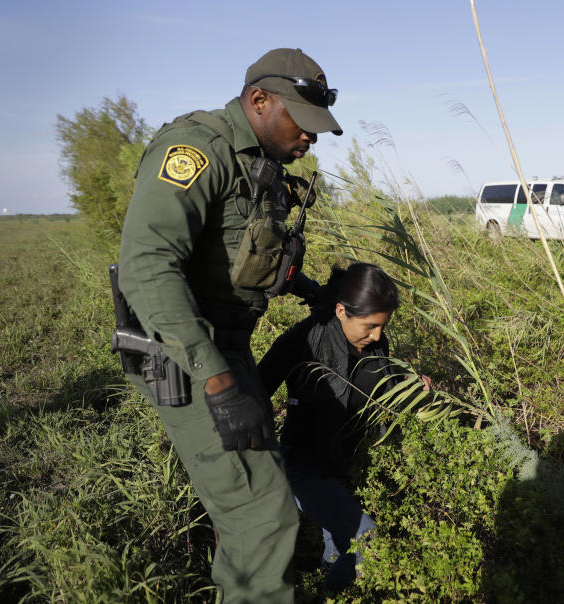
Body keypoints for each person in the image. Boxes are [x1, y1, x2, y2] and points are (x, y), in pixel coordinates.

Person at [117, 48, 342, 604]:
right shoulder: (196, 150)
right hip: (186, 356)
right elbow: (147, 266)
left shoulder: (257, 167)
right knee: (263, 517)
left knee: (252, 504)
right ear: (259, 100)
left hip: (224, 350)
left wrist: (311, 291)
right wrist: (218, 384)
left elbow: (236, 259)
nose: (310, 138)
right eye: (303, 122)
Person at [257, 263, 431, 594]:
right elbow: (252, 392)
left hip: (336, 466)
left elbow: (383, 387)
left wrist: (412, 386)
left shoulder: (377, 345)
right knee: (366, 539)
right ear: (341, 310)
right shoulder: (304, 339)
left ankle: (325, 582)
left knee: (337, 552)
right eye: (369, 326)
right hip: (300, 466)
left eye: (382, 326)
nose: (377, 335)